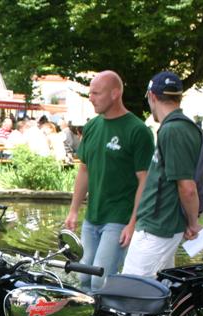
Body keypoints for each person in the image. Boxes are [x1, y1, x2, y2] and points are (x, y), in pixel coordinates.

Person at [64, 70, 154, 291]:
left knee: (100, 281)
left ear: (115, 94)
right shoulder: (93, 126)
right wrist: (74, 210)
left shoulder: (137, 130)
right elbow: (84, 170)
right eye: (90, 93)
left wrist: (132, 223)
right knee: (83, 277)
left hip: (118, 219)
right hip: (93, 217)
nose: (91, 98)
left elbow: (145, 181)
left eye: (97, 93)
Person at [121, 71, 201, 278]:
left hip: (157, 228)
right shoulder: (175, 127)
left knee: (131, 292)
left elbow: (187, 187)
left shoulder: (174, 130)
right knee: (160, 290)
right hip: (159, 225)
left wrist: (193, 223)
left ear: (152, 96)